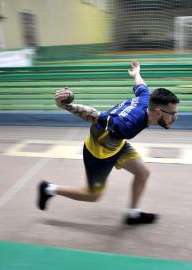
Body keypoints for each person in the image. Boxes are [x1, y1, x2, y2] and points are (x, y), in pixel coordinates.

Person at [37, 61, 180, 225]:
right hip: (98, 152)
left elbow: (141, 86)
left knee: (142, 173)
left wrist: (136, 74)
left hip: (117, 144)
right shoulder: (127, 124)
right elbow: (94, 115)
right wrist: (66, 106)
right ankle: (48, 188)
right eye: (173, 113)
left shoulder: (147, 98)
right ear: (158, 111)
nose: (175, 117)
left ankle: (133, 215)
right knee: (93, 195)